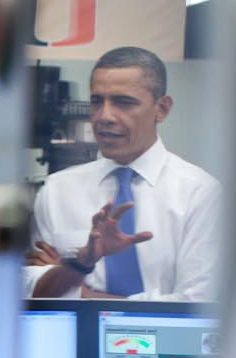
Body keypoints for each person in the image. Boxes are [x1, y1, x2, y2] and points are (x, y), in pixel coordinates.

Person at [25, 46, 220, 301]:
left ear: (162, 108)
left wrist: (84, 295)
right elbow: (32, 293)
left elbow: (196, 304)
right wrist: (81, 263)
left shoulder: (199, 193)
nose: (105, 116)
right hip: (68, 340)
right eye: (97, 101)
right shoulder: (57, 191)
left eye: (124, 102)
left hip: (169, 342)